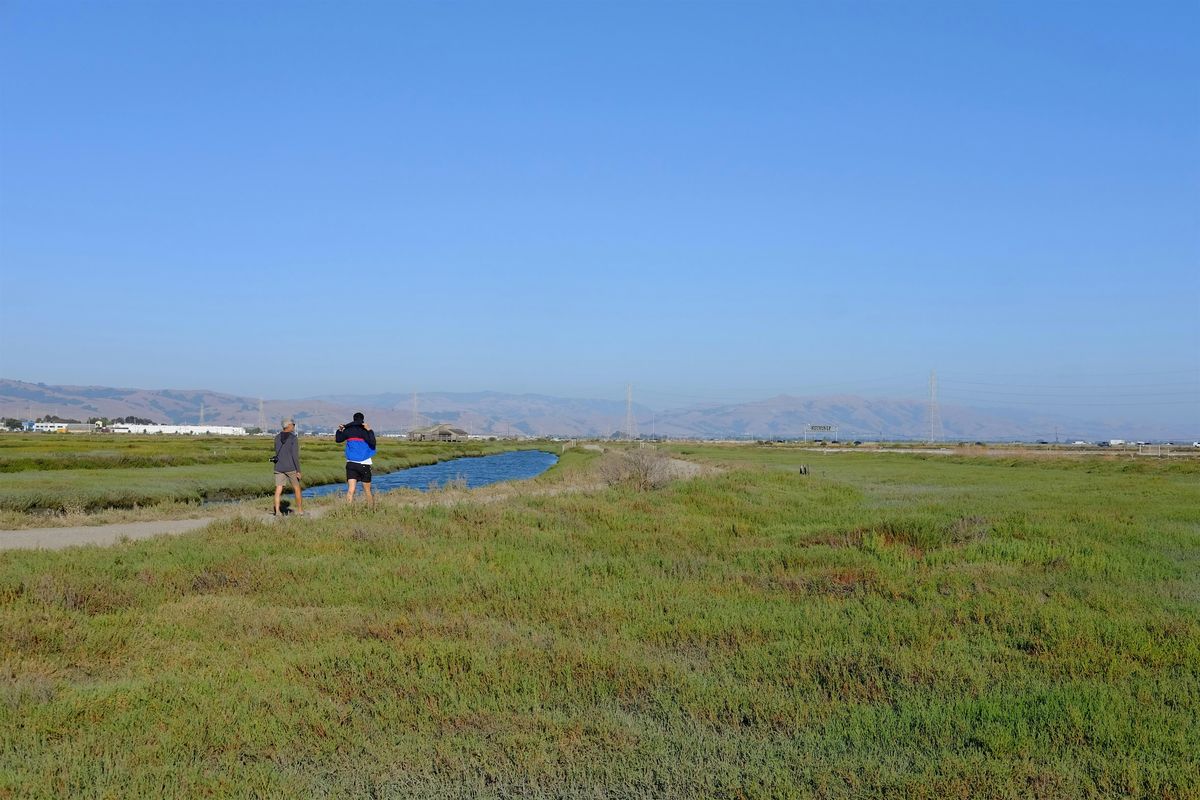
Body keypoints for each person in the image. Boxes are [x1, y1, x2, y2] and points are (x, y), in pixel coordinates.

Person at [336, 411, 377, 505]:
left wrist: (339, 430)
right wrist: (370, 430)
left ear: (353, 419)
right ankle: (371, 509)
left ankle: (348, 509)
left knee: (351, 490)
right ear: (363, 420)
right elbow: (373, 443)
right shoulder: (365, 431)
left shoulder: (348, 430)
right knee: (367, 490)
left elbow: (338, 440)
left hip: (351, 464)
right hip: (364, 464)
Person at [273, 418, 303, 516]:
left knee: (278, 490)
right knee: (297, 489)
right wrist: (298, 470)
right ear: (289, 425)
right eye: (293, 424)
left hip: (279, 467)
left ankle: (277, 512)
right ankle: (300, 511)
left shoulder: (277, 437)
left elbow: (276, 451)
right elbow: (295, 456)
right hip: (291, 468)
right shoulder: (293, 438)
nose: (294, 426)